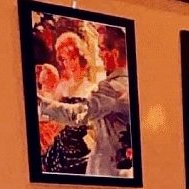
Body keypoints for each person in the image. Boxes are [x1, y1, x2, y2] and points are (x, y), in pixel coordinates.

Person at [38, 25, 131, 177]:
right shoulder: (129, 84)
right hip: (69, 150)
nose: (99, 55)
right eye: (64, 59)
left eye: (102, 49)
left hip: (104, 167)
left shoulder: (110, 87)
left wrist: (40, 104)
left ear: (114, 54)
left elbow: (79, 114)